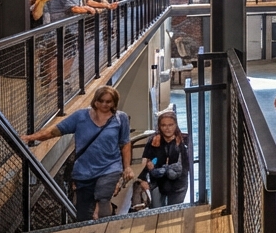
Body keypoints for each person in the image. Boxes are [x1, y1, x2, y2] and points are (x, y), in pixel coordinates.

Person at [21, 86, 132, 220]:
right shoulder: (81, 116)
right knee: (83, 212)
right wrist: (31, 137)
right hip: (85, 170)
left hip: (110, 167)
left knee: (103, 196)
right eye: (101, 101)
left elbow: (125, 143)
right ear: (95, 101)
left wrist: (128, 167)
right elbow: (55, 131)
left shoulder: (120, 118)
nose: (104, 104)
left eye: (108, 101)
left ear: (114, 102)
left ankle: (103, 224)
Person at [137, 111, 191, 208]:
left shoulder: (184, 141)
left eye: (170, 125)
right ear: (159, 126)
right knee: (156, 210)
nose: (167, 128)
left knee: (174, 211)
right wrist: (143, 180)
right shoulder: (153, 141)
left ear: (176, 125)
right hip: (157, 183)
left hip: (178, 185)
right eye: (164, 125)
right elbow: (146, 160)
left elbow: (188, 164)